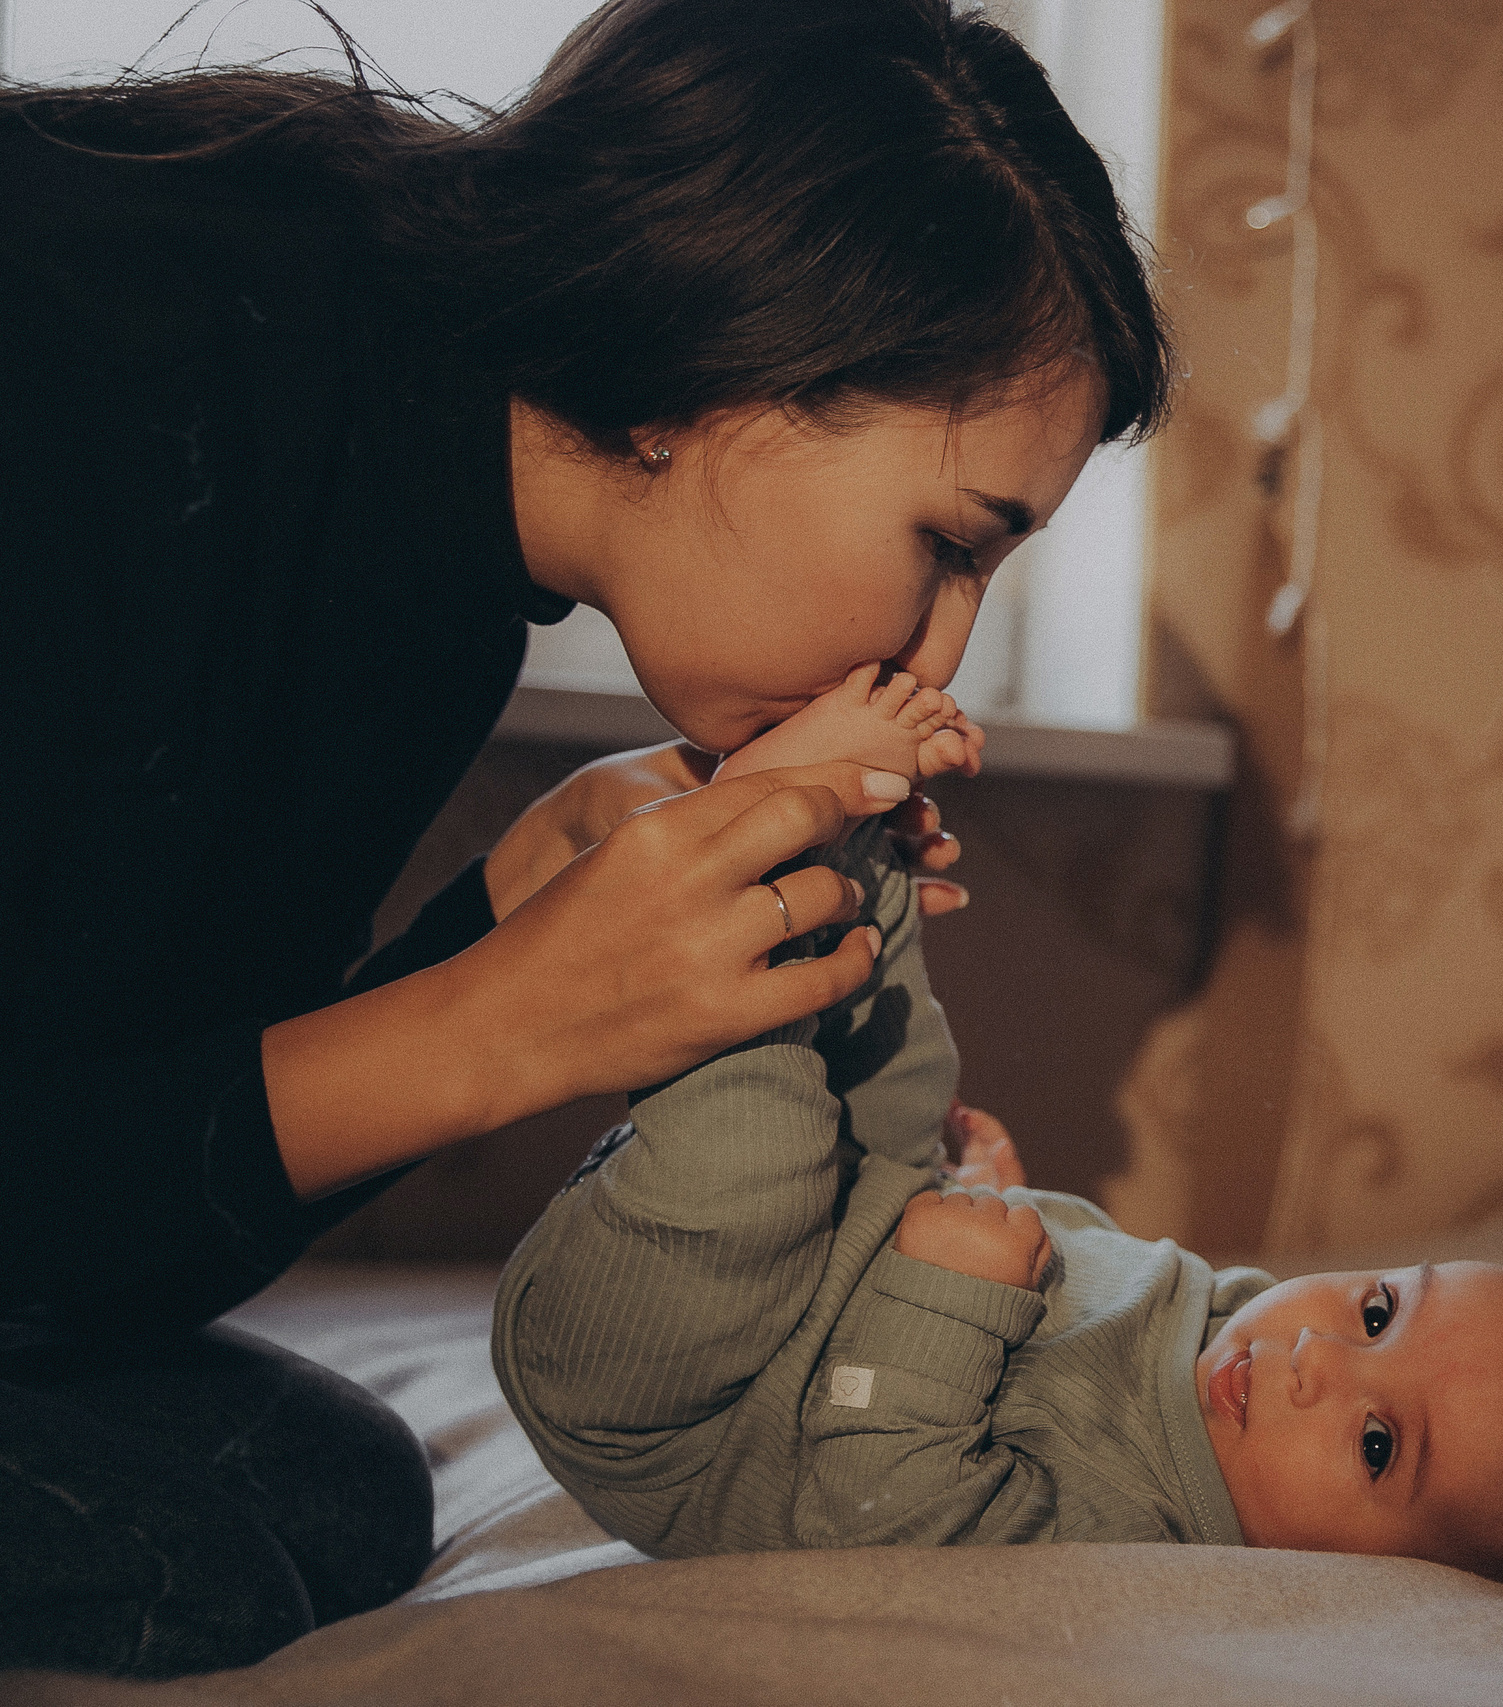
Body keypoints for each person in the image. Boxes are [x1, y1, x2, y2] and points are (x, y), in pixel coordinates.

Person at [0, 0, 1168, 1677]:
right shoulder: (114, 348)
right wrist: (498, 1021)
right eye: (949, 541)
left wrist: (524, 902)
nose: (938, 662)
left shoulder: (441, 559)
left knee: (325, 1499)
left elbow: (101, 1230)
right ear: (728, 338)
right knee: (203, 1559)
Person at [495, 717, 1503, 1587]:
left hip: (680, 1394)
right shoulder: (1217, 1318)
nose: (1316, 1356)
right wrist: (991, 1205)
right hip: (827, 1257)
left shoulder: (1143, 1534)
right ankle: (846, 851)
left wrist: (948, 1297)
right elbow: (1066, 1303)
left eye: (1377, 1447)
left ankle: (715, 889)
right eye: (1382, 1311)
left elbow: (880, 1519)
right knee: (908, 1062)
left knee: (757, 1148)